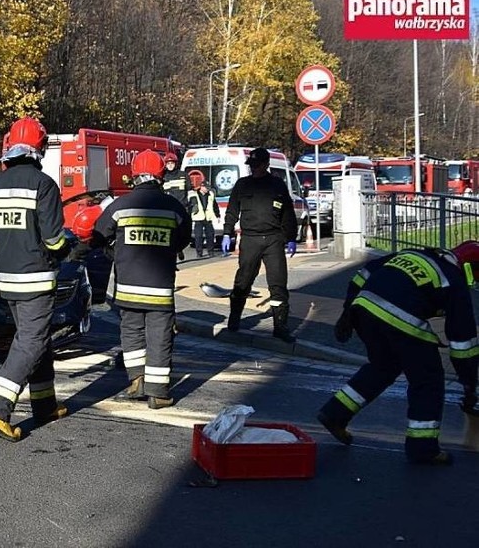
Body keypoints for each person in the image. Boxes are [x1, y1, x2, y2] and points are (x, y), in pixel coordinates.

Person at [317, 242, 479, 465]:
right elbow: (463, 342)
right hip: (400, 317)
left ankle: (335, 414)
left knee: (382, 367)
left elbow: (365, 272)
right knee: (428, 379)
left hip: (365, 309)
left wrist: (348, 310)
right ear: (471, 267)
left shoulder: (415, 254)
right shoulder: (454, 280)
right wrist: (470, 382)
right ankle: (423, 448)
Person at [0, 116, 69, 442]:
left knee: (37, 340)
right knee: (30, 342)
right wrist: (69, 246)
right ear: (39, 147)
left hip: (8, 282)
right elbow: (55, 241)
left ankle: (44, 405)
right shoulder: (43, 185)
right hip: (37, 282)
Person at [92, 150, 192, 409]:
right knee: (159, 335)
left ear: (134, 175)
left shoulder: (120, 205)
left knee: (132, 332)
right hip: (159, 288)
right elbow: (182, 240)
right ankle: (158, 393)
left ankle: (136, 380)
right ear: (161, 175)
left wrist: (113, 251)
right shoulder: (174, 207)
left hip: (127, 288)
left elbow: (99, 235)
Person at [221, 147, 298, 343]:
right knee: (243, 281)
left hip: (273, 240)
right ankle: (235, 318)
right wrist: (227, 233)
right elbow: (232, 210)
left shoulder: (276, 185)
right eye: (251, 166)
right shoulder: (243, 185)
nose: (253, 169)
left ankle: (280, 326)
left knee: (278, 284)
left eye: (257, 166)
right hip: (250, 239)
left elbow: (287, 211)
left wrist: (291, 237)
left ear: (266, 165)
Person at [190, 181, 220, 257]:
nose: (207, 189)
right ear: (201, 187)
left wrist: (218, 215)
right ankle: (199, 253)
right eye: (206, 188)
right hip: (198, 218)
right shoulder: (194, 194)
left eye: (208, 188)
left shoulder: (211, 194)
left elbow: (214, 205)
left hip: (208, 217)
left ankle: (210, 251)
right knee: (198, 236)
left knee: (210, 235)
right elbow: (189, 206)